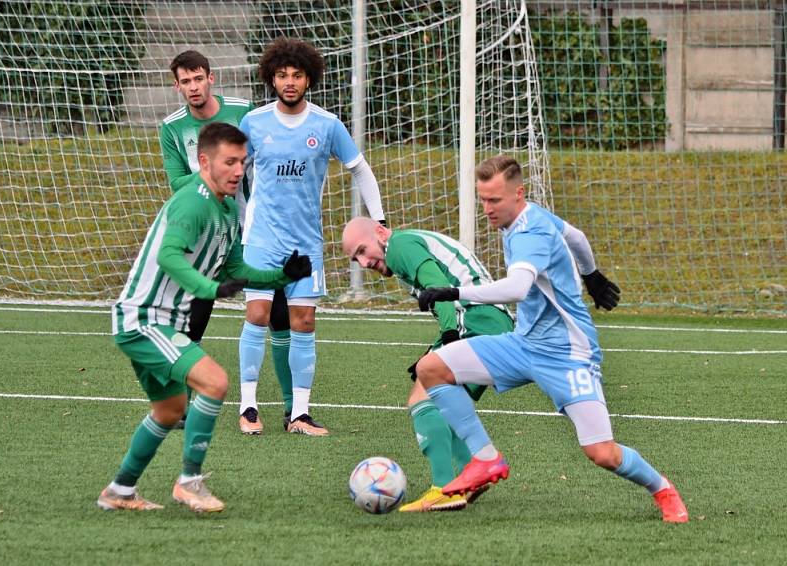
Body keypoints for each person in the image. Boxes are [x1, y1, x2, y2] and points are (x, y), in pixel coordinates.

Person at [414, 155, 689, 523]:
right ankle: (484, 459)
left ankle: (662, 489)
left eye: (494, 200)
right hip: (523, 344)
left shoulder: (530, 234)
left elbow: (516, 287)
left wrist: (453, 292)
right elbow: (575, 236)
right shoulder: (532, 215)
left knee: (602, 452)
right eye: (482, 199)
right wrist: (592, 275)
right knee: (431, 369)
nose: (487, 209)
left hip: (568, 354)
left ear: (518, 194)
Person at [98, 122, 312, 513]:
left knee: (168, 410)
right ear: (204, 161)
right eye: (229, 162)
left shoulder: (227, 208)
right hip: (145, 319)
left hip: (164, 322)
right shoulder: (192, 201)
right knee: (214, 381)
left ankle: (119, 490)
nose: (238, 171)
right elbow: (169, 255)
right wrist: (209, 289)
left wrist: (284, 275)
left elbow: (236, 269)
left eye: (243, 163)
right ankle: (189, 483)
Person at [237, 38, 386, 436]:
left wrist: (380, 219)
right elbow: (233, 173)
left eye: (297, 75)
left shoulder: (327, 124)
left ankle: (299, 415)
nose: (289, 82)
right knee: (257, 314)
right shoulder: (253, 123)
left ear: (309, 79)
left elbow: (360, 169)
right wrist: (231, 220)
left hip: (305, 243)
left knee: (303, 323)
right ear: (271, 78)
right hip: (262, 239)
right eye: (282, 75)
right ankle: (248, 408)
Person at [342, 217, 514, 512]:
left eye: (362, 250)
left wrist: (447, 338)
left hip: (476, 319)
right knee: (441, 396)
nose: (363, 262)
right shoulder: (406, 246)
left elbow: (440, 287)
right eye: (355, 258)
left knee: (422, 394)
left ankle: (445, 488)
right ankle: (468, 473)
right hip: (489, 319)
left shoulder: (399, 246)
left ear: (381, 233)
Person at [160, 50, 293, 428]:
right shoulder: (172, 128)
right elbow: (176, 183)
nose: (193, 87)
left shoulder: (241, 112)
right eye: (185, 81)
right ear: (177, 86)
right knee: (192, 319)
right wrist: (216, 175)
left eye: (198, 78)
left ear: (210, 77)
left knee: (279, 316)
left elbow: (264, 159)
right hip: (205, 234)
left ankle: (292, 410)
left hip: (254, 229)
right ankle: (180, 408)